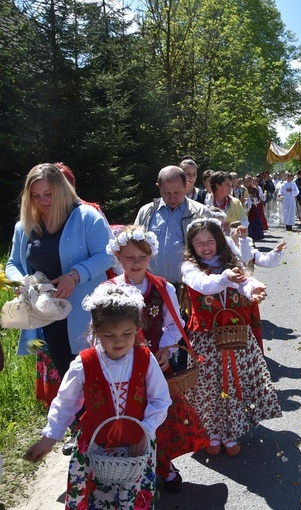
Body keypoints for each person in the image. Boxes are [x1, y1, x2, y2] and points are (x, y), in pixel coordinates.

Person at [24, 283, 172, 508]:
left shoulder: (144, 359)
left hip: (136, 445)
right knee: (97, 500)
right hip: (95, 446)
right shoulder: (85, 363)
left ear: (137, 328)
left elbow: (160, 400)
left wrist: (146, 431)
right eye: (109, 335)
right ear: (96, 331)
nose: (119, 341)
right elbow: (65, 403)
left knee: (131, 498)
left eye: (127, 333)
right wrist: (49, 438)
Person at [106, 225, 208, 492]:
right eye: (129, 258)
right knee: (129, 416)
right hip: (123, 367)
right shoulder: (109, 290)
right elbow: (101, 330)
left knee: (159, 416)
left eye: (142, 257)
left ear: (151, 256)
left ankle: (164, 465)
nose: (136, 263)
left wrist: (165, 349)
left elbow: (174, 323)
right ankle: (135, 468)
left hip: (156, 367)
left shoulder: (162, 288)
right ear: (118, 258)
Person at [7, 164, 114, 415]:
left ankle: (104, 427)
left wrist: (75, 275)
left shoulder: (86, 216)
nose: (42, 201)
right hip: (48, 315)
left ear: (62, 191)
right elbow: (13, 263)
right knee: (68, 375)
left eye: (48, 194)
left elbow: (107, 254)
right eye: (36, 195)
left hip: (85, 314)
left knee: (93, 371)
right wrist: (22, 282)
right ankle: (79, 430)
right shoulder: (25, 225)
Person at [182, 219, 281, 457]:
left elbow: (245, 282)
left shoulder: (231, 262)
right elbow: (204, 285)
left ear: (219, 241)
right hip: (206, 338)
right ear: (191, 245)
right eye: (199, 243)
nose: (206, 247)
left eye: (210, 241)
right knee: (210, 384)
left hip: (235, 335)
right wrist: (227, 277)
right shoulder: (189, 268)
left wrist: (253, 289)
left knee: (233, 382)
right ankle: (212, 431)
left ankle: (231, 432)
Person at [134, 165, 212, 288]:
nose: (172, 197)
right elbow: (135, 248)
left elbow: (213, 252)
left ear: (186, 186)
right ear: (158, 187)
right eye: (167, 193)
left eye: (177, 192)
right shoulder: (146, 212)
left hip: (189, 287)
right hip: (154, 287)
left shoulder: (201, 213)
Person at [245, 176, 266, 241]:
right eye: (246, 181)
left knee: (253, 223)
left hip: (252, 208)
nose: (247, 182)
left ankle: (253, 239)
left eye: (249, 181)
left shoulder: (254, 189)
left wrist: (252, 199)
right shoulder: (242, 189)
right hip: (243, 207)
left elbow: (258, 200)